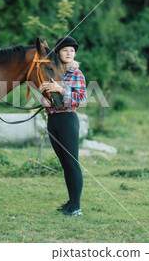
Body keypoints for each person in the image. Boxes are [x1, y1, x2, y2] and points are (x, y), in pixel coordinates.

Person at [41, 36, 87, 216]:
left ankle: (76, 207)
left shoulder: (76, 73)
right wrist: (44, 100)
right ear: (58, 53)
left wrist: (61, 90)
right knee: (64, 163)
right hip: (53, 120)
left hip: (67, 119)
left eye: (72, 51)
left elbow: (81, 100)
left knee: (72, 162)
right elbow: (47, 97)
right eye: (65, 50)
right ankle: (70, 202)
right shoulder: (53, 72)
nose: (69, 53)